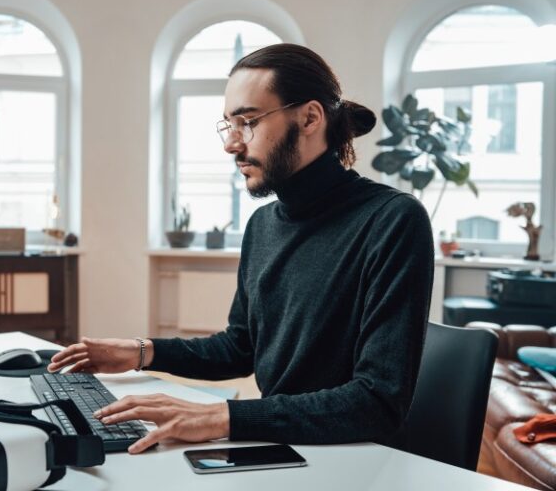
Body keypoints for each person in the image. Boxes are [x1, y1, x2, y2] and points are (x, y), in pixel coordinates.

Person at [48, 43, 434, 454]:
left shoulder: (392, 220)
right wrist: (140, 352)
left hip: (355, 460)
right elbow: (240, 349)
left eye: (247, 122)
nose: (231, 145)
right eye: (228, 126)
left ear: (309, 117)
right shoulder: (263, 225)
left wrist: (222, 418)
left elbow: (376, 403)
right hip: (283, 445)